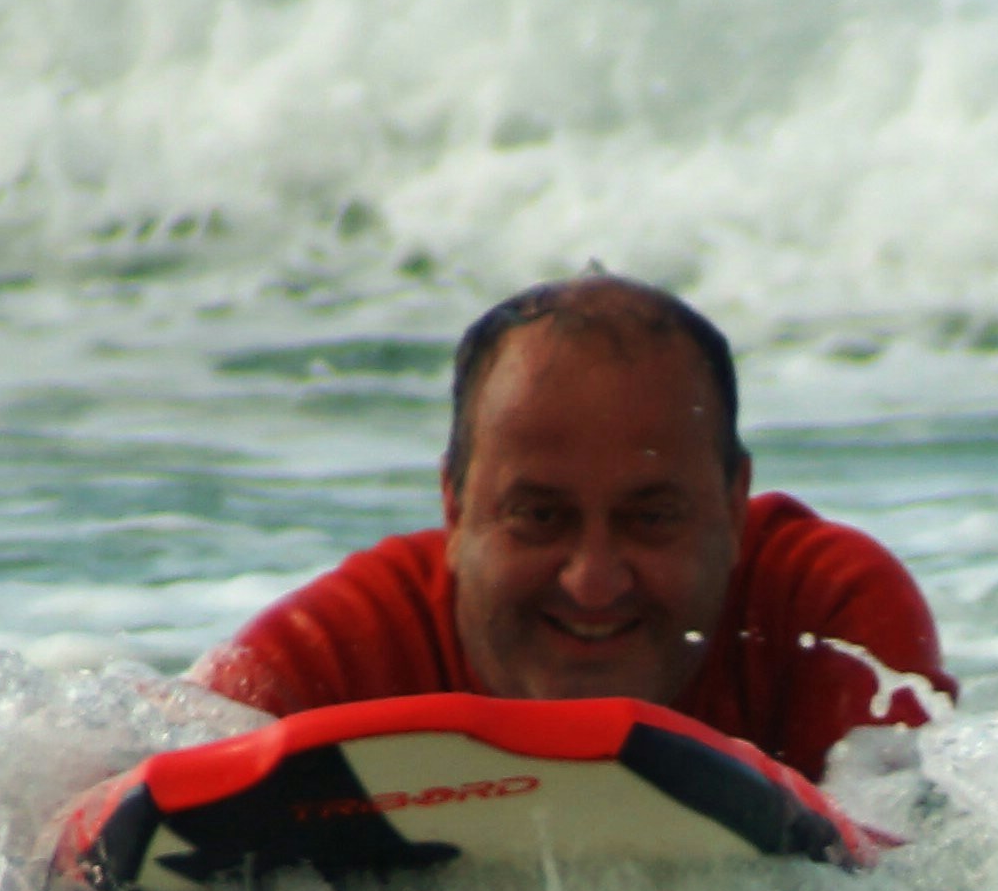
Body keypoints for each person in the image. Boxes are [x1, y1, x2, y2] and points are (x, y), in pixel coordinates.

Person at [196, 276, 948, 784]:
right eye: (540, 518)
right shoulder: (348, 653)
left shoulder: (824, 618)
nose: (593, 582)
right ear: (454, 509)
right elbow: (148, 793)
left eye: (650, 518)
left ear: (731, 509)